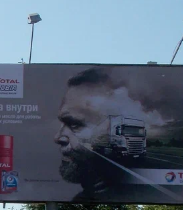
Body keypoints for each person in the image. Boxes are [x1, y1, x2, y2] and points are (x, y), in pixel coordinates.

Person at [53, 67, 147, 202]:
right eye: (63, 123)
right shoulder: (83, 198)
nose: (57, 138)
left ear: (110, 130)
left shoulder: (141, 195)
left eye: (75, 124)